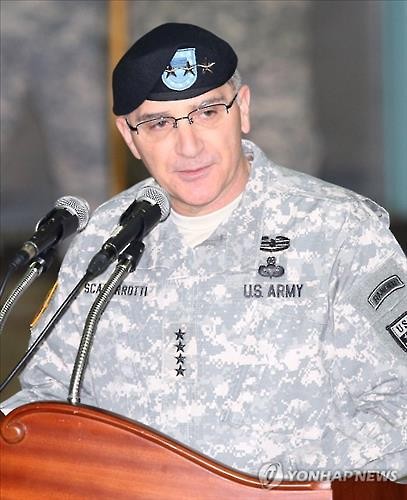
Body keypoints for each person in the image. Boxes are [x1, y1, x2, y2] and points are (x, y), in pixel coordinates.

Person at [1, 23, 406, 480]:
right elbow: (47, 401)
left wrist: (262, 482)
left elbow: (400, 405)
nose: (189, 146)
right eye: (159, 123)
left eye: (208, 112)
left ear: (243, 109)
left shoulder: (338, 232)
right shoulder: (104, 242)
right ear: (129, 136)